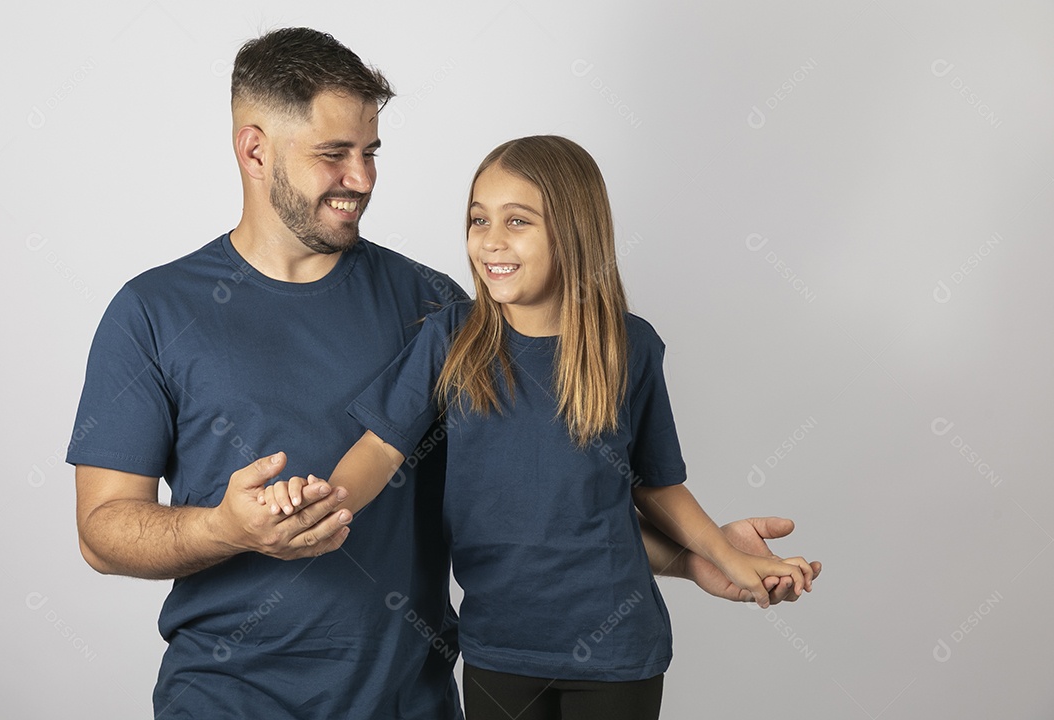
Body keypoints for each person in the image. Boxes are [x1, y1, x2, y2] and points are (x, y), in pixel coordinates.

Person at [67, 28, 819, 720]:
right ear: (256, 151)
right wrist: (223, 528)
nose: (360, 179)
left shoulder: (442, 311)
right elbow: (103, 534)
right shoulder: (153, 312)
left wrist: (697, 557)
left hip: (414, 701)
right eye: (335, 153)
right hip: (226, 700)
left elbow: (534, 494)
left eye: (372, 151)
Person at [260, 136, 815, 720]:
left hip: (620, 653)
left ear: (573, 233)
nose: (491, 241)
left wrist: (726, 558)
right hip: (498, 650)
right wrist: (328, 502)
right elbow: (380, 450)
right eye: (478, 220)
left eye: (517, 221)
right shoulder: (450, 338)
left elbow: (655, 487)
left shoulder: (631, 346)